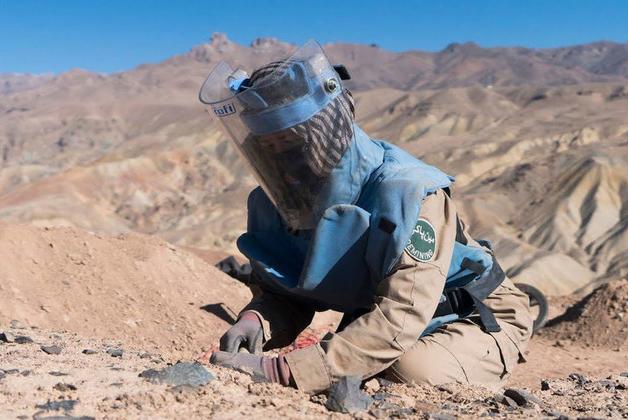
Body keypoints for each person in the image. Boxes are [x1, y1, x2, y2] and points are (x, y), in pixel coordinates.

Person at [198, 40, 533, 394]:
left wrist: (283, 371)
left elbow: (401, 314)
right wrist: (257, 320)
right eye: (269, 147)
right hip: (383, 319)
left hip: (473, 314)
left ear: (325, 133)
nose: (283, 158)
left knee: (408, 371)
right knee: (360, 366)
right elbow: (290, 290)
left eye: (292, 142)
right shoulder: (283, 203)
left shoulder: (406, 192)